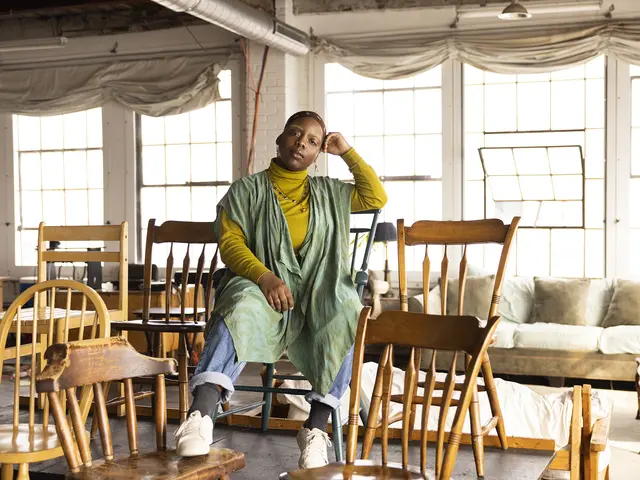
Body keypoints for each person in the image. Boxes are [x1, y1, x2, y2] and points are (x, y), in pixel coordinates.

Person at [174, 111, 387, 468]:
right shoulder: (246, 190)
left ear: (319, 154)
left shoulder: (329, 192)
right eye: (294, 133)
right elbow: (230, 244)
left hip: (318, 289)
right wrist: (264, 277)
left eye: (313, 141)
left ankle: (316, 429)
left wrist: (346, 151)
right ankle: (200, 415)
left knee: (347, 311)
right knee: (239, 304)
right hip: (261, 287)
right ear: (280, 139)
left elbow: (375, 196)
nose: (301, 142)